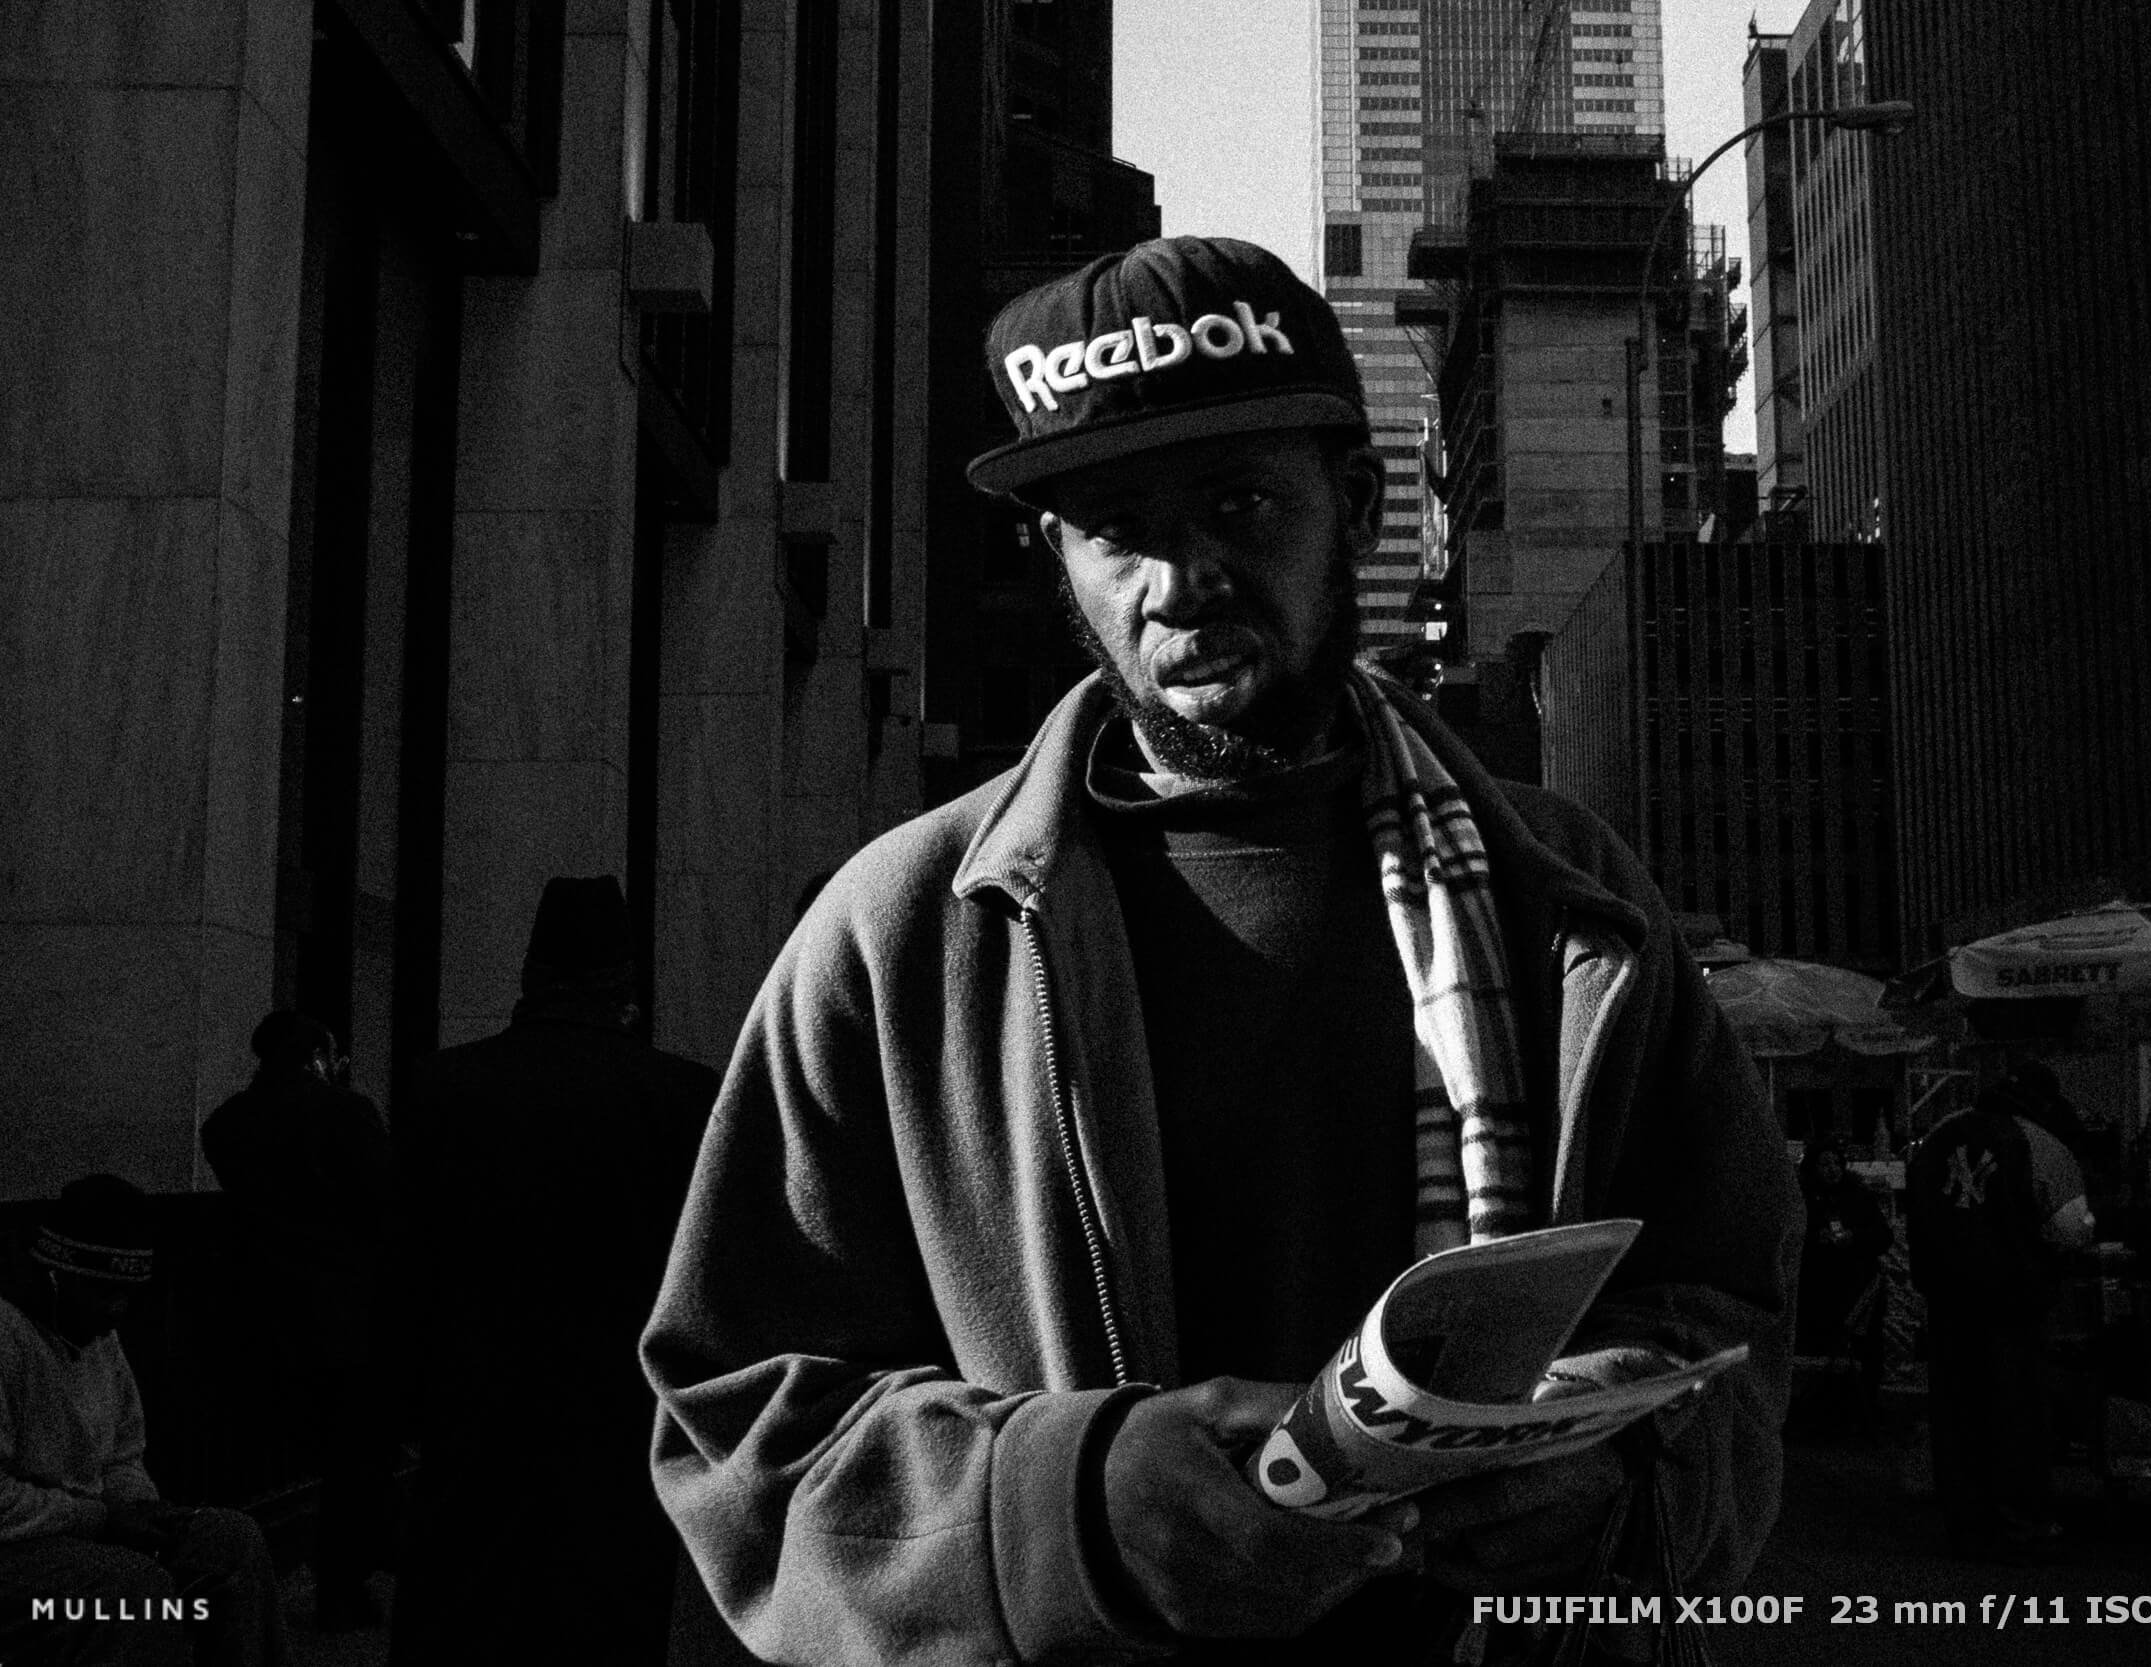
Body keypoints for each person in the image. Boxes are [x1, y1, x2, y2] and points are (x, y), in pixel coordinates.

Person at [641, 236, 1802, 1664]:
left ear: (1360, 507)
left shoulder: (1566, 900)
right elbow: (740, 1420)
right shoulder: (900, 933)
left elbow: (1729, 1297)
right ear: (1058, 563)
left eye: (1241, 502)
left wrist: (1622, 1477)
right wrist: (1071, 1507)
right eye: (1117, 526)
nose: (1182, 576)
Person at [388, 877, 719, 1667]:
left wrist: (399, 1413)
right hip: (618, 1430)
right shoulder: (681, 1097)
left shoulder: (442, 1087)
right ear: (626, 978)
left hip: (475, 1420)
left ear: (532, 967)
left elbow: (405, 1272)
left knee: (465, 1626)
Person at [0, 1175, 292, 1667]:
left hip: (81, 1528)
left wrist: (139, 1508)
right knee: (133, 1595)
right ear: (56, 1274)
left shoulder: (94, 1334)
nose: (117, 1311)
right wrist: (100, 1519)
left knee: (229, 1540)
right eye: (103, 1293)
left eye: (127, 1296)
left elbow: (121, 1452)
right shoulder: (8, 1337)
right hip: (16, 1552)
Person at [200, 1011, 395, 1629]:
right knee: (353, 1454)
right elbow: (385, 1203)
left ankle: (242, 1584)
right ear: (318, 1053)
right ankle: (343, 1584)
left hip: (258, 1305)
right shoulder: (346, 1113)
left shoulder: (227, 1124)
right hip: (345, 1309)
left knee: (262, 1448)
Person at [1903, 1081, 2088, 1553]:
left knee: (1957, 1412)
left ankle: (1967, 1524)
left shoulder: (1939, 1137)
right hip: (2012, 1299)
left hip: (1948, 1296)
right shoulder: (2038, 1143)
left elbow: (1917, 1216)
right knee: (2016, 1411)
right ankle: (2020, 1524)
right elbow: (2068, 1227)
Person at [1793, 1139, 1893, 1435]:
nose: (1832, 1170)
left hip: (1858, 1292)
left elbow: (1882, 1236)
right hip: (1820, 1293)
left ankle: (1861, 1417)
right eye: (1825, 1164)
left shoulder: (1858, 1197)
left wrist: (1855, 1237)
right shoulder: (1803, 1200)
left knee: (1863, 1356)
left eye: (1836, 1163)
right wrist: (1816, 1239)